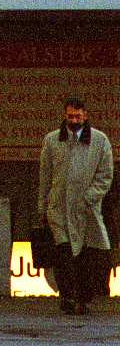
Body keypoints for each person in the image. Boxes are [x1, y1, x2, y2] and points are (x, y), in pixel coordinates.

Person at [38, 97, 114, 315]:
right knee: (63, 255)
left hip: (86, 210)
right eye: (70, 116)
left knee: (87, 257)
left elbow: (105, 176)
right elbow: (45, 176)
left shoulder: (99, 141)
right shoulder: (52, 141)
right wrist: (42, 208)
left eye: (78, 116)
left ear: (85, 116)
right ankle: (68, 296)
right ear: (65, 115)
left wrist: (89, 197)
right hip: (59, 208)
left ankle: (83, 297)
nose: (74, 120)